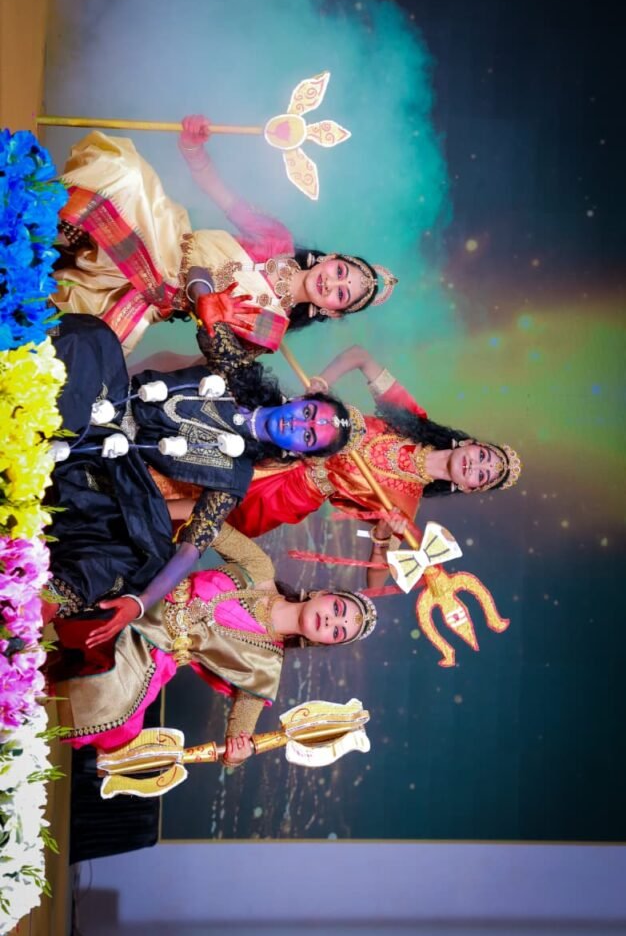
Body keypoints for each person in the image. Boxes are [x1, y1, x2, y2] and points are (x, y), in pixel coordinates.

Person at [46, 314, 353, 628]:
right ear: (301, 400)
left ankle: (48, 598)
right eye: (307, 412)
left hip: (108, 460)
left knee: (146, 552)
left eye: (307, 435)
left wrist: (141, 603)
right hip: (108, 395)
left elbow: (191, 549)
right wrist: (206, 296)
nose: (297, 423)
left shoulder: (233, 480)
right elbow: (209, 312)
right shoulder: (236, 371)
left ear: (299, 453)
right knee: (95, 338)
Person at [50, 116, 397, 355]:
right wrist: (192, 148)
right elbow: (218, 191)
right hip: (166, 235)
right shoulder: (277, 239)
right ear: (332, 258)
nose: (331, 283)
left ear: (332, 312)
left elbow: (216, 357)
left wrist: (210, 318)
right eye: (340, 272)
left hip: (158, 296)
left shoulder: (270, 327)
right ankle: (35, 210)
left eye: (340, 294)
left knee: (87, 336)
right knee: (123, 174)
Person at [49, 523, 377, 767]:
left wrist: (237, 754)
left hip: (147, 657)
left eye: (338, 632)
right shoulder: (259, 568)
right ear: (323, 594)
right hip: (143, 589)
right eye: (337, 609)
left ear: (323, 642)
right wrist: (153, 514)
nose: (331, 621)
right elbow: (208, 522)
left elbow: (239, 735)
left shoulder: (264, 669)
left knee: (106, 701)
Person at [224, 345, 522, 588]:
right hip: (290, 430)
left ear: (469, 488)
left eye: (482, 475)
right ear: (469, 443)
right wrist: (321, 384)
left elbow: (375, 584)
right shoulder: (410, 418)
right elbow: (360, 356)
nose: (475, 465)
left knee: (211, 501)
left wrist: (382, 538)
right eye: (483, 456)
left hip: (288, 492)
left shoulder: (403, 508)